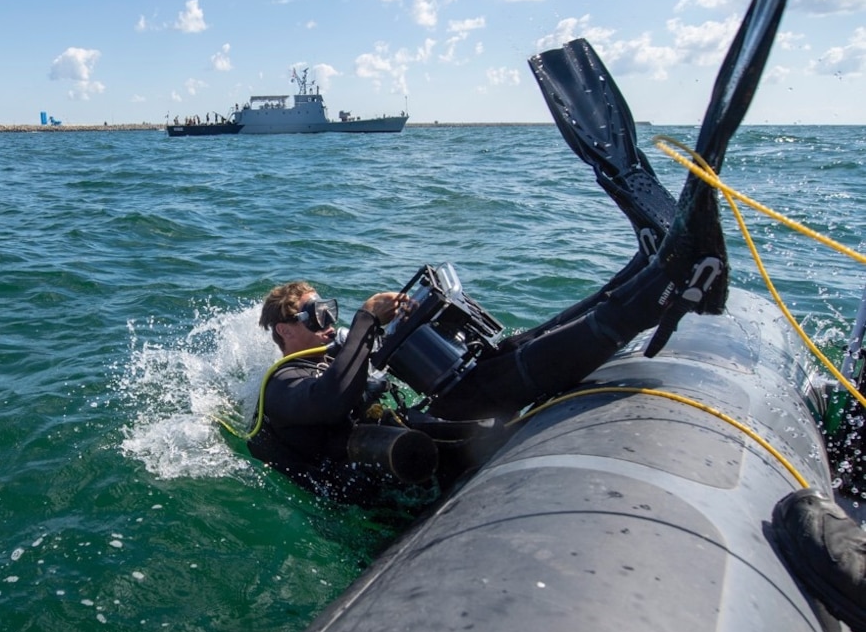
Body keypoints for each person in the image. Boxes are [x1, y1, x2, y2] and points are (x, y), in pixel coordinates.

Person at [246, 159, 726, 507]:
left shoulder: (333, 359)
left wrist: (395, 329)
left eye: (330, 310)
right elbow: (331, 400)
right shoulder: (283, 387)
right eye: (316, 316)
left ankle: (645, 270)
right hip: (390, 502)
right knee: (485, 386)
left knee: (502, 355)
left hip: (422, 450)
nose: (330, 322)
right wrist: (367, 321)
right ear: (285, 331)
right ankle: (659, 293)